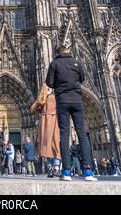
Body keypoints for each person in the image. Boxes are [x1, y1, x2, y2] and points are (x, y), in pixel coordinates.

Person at [46, 45, 97, 182]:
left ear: (57, 53)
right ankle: (88, 171)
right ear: (68, 51)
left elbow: (49, 83)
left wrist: (59, 84)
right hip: (77, 100)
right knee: (82, 134)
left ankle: (66, 172)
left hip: (62, 100)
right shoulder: (77, 62)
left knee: (64, 134)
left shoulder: (54, 63)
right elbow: (82, 78)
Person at [31, 84, 61, 178]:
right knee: (55, 145)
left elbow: (32, 109)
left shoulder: (43, 99)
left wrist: (41, 100)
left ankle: (50, 169)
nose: (51, 90)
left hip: (46, 122)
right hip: (53, 120)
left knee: (47, 145)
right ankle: (55, 168)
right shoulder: (54, 97)